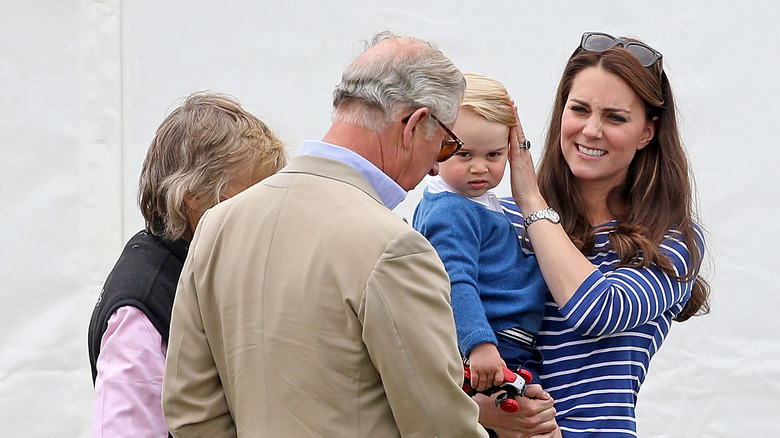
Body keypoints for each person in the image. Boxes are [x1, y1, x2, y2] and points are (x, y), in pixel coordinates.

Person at [161, 32, 556, 438]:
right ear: (415, 124)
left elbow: (189, 408)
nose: (436, 170)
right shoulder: (394, 247)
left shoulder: (218, 225)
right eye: (445, 145)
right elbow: (440, 427)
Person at [503, 32, 711, 437]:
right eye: (579, 109)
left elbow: (595, 310)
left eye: (615, 117)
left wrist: (531, 201)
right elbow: (447, 339)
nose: (591, 130)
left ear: (647, 133)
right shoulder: (501, 221)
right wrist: (488, 412)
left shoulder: (672, 239)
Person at [87, 91, 287, 438]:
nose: (264, 217)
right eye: (247, 200)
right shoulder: (143, 305)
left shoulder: (199, 262)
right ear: (191, 198)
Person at [412, 73, 548, 390]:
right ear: (437, 146)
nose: (479, 167)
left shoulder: (472, 202)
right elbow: (453, 280)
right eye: (464, 154)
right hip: (494, 346)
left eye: (493, 155)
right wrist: (478, 343)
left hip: (507, 342)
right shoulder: (452, 211)